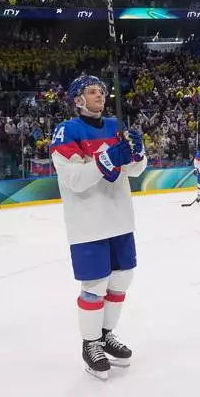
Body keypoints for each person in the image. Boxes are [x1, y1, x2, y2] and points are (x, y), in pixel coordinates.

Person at [51, 76, 148, 380]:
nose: (99, 96)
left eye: (102, 92)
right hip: (88, 222)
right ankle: (90, 343)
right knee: (95, 285)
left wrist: (137, 152)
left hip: (119, 218)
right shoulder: (67, 131)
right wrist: (108, 157)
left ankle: (105, 334)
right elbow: (76, 180)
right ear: (77, 99)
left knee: (121, 279)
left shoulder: (114, 126)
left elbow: (134, 171)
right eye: (92, 92)